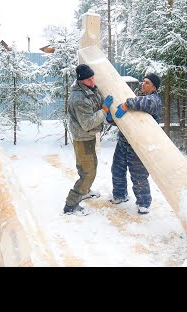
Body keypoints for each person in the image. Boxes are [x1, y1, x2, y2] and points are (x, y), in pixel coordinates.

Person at [107, 73, 162, 214]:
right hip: (123, 142)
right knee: (117, 170)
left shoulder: (154, 100)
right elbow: (124, 119)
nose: (143, 84)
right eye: (143, 81)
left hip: (138, 145)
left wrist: (127, 104)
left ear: (154, 87)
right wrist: (110, 115)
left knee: (138, 175)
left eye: (147, 82)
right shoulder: (136, 96)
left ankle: (143, 203)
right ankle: (120, 195)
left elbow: (145, 104)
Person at [63, 64, 113, 216]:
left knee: (89, 167)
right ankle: (70, 205)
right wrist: (104, 111)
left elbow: (96, 101)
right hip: (83, 138)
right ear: (80, 81)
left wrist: (107, 110)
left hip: (88, 136)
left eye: (93, 77)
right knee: (88, 172)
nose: (92, 81)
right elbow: (87, 123)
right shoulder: (79, 98)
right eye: (88, 79)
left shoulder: (90, 89)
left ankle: (85, 191)